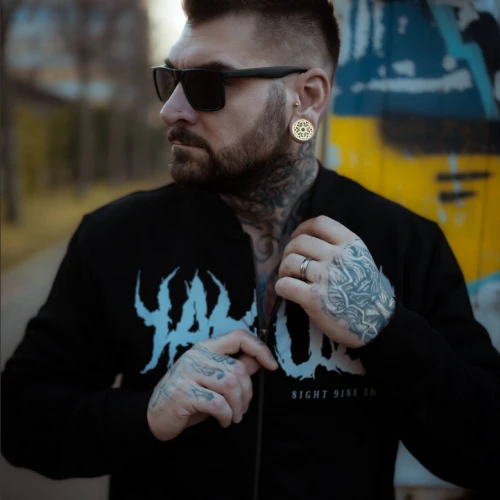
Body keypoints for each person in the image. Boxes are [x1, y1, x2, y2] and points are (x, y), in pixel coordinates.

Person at [2, 1, 500, 499]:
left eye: (208, 84)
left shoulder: (404, 244)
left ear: (306, 98)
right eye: (170, 79)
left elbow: (483, 448)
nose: (171, 110)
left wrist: (384, 327)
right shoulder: (116, 238)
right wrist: (146, 413)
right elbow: (20, 417)